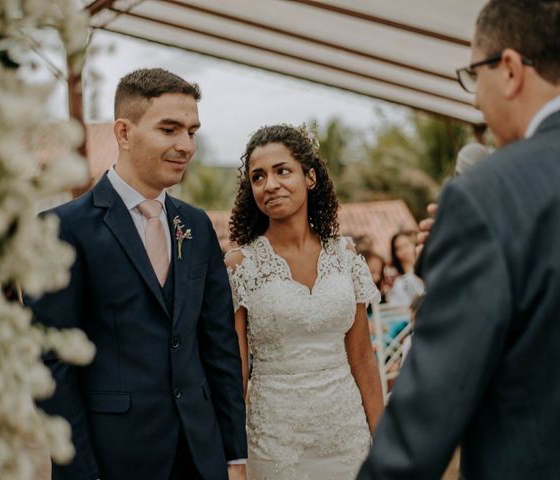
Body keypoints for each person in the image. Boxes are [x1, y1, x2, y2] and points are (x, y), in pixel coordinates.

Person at [359, 1, 560, 479]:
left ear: (508, 69)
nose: (476, 100)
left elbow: (428, 414)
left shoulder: (488, 196)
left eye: (473, 75)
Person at [28, 68, 247, 480]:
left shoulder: (196, 226)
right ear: (124, 133)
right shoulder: (59, 230)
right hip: (114, 459)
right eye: (170, 129)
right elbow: (52, 367)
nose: (186, 145)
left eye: (192, 132)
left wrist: (234, 455)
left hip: (201, 456)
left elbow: (219, 347)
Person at [225, 124, 384, 479]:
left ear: (309, 177)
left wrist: (385, 441)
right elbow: (237, 371)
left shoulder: (344, 256)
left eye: (282, 171)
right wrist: (234, 456)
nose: (270, 184)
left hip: (347, 435)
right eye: (258, 177)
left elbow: (362, 357)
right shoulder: (241, 266)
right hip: (276, 442)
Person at [386, 231, 424, 306]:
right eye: (398, 248)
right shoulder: (397, 282)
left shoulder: (426, 268)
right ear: (395, 253)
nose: (404, 250)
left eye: (406, 245)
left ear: (413, 244)